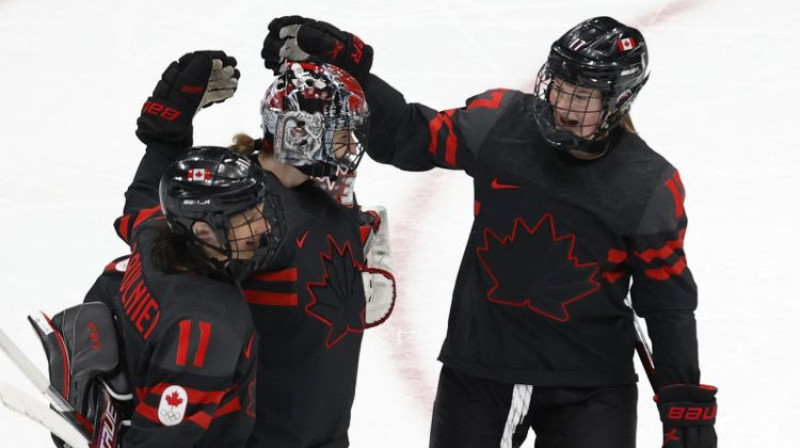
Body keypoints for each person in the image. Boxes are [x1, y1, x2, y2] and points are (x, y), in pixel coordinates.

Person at [262, 16, 718, 448]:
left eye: (583, 94)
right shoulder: (501, 121)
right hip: (482, 369)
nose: (564, 104)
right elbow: (405, 136)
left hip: (591, 384)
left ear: (618, 100)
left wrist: (683, 397)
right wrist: (349, 64)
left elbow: (667, 301)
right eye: (560, 85)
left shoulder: (649, 185)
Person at [129, 51, 393, 448]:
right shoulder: (252, 215)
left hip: (324, 434)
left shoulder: (320, 193)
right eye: (341, 134)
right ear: (302, 133)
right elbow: (152, 228)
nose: (351, 146)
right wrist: (164, 142)